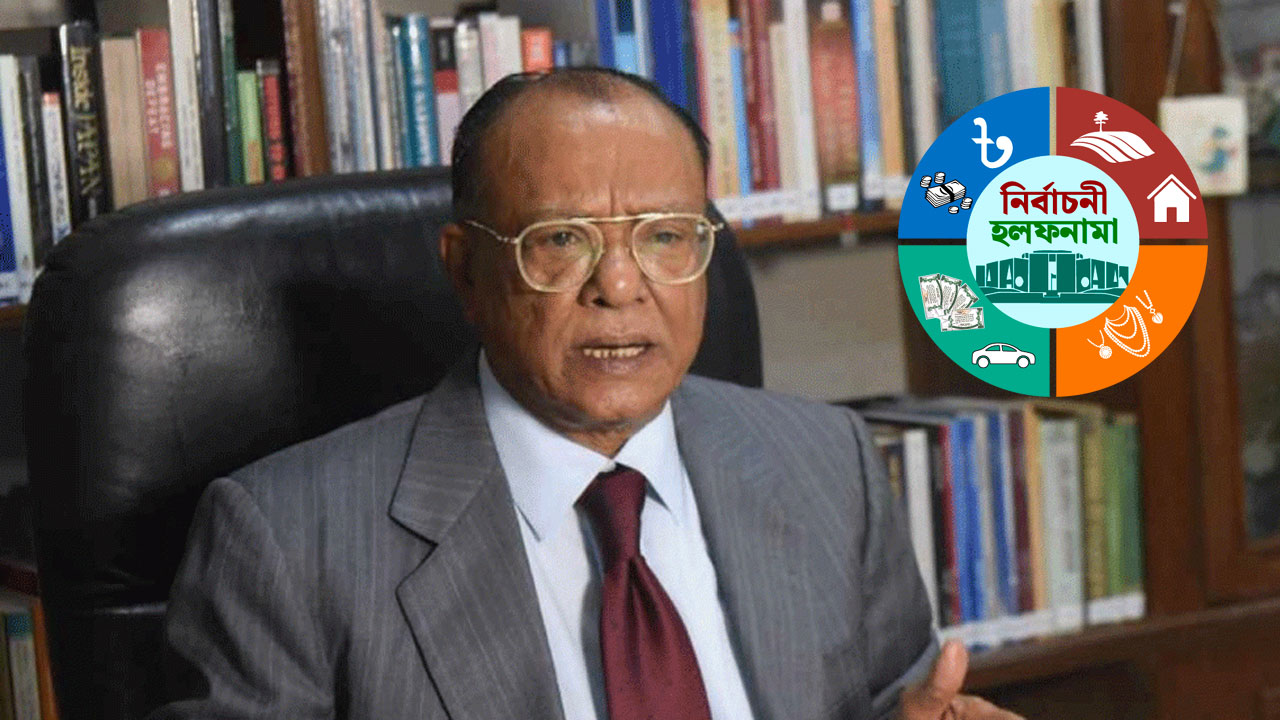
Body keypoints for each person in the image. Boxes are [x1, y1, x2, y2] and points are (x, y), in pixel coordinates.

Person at [150, 68, 1022, 720]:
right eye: (561, 239)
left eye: (665, 236)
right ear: (466, 270)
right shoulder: (286, 540)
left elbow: (893, 702)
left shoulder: (826, 463)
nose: (621, 286)